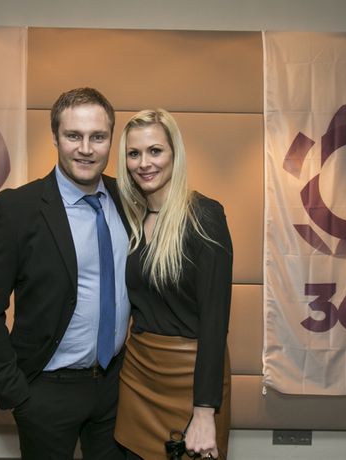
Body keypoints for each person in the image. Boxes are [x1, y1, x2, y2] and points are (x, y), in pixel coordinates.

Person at [0, 87, 130, 460]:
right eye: (73, 135)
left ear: (111, 140)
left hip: (115, 389)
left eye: (97, 137)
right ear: (55, 137)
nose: (85, 148)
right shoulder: (18, 209)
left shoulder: (128, 199)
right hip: (46, 391)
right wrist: (17, 394)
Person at [113, 109, 233, 459]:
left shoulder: (204, 216)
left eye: (155, 151)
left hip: (191, 378)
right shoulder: (129, 219)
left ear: (174, 154)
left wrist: (205, 411)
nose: (144, 163)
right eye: (133, 154)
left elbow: (215, 321)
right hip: (138, 375)